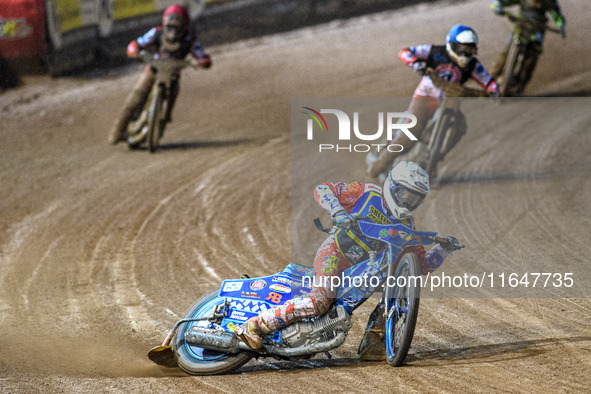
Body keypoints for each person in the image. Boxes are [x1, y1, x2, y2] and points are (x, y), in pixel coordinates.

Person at [235, 161, 459, 360]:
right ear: (392, 186)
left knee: (398, 285)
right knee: (319, 302)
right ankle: (255, 325)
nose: (408, 202)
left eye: (415, 199)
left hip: (361, 272)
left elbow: (421, 266)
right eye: (405, 194)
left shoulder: (407, 228)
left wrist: (442, 250)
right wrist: (337, 211)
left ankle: (374, 340)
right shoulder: (366, 193)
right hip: (335, 255)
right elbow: (324, 189)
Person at [367, 25, 499, 179]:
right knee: (411, 131)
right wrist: (415, 62)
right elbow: (405, 52)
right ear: (452, 45)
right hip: (426, 97)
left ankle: (435, 159)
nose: (465, 53)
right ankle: (380, 164)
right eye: (462, 48)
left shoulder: (473, 65)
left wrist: (495, 91)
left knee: (459, 127)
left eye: (469, 50)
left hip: (450, 102)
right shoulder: (434, 51)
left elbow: (488, 81)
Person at [108, 5, 212, 145]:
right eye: (171, 21)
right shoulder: (156, 33)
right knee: (135, 97)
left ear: (185, 24)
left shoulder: (190, 40)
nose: (174, 26)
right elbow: (137, 43)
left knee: (171, 100)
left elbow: (202, 56)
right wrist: (134, 50)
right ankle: (118, 131)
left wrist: (202, 61)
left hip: (173, 76)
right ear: (165, 21)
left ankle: (163, 123)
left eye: (178, 22)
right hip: (153, 69)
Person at [489, 0, 565, 83]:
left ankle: (522, 82)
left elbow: (557, 14)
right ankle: (489, 80)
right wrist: (497, 4)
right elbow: (505, 1)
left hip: (537, 30)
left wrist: (560, 24)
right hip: (521, 27)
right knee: (505, 53)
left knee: (533, 55)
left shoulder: (549, 2)